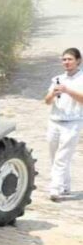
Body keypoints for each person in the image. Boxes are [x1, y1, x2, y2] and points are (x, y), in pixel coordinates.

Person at [44, 47, 83, 201]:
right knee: (54, 156)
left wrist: (67, 90)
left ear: (78, 61)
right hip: (55, 120)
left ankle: (55, 188)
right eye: (64, 59)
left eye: (70, 59)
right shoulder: (57, 79)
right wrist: (53, 93)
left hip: (72, 122)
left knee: (62, 156)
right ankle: (65, 185)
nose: (66, 62)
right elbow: (46, 101)